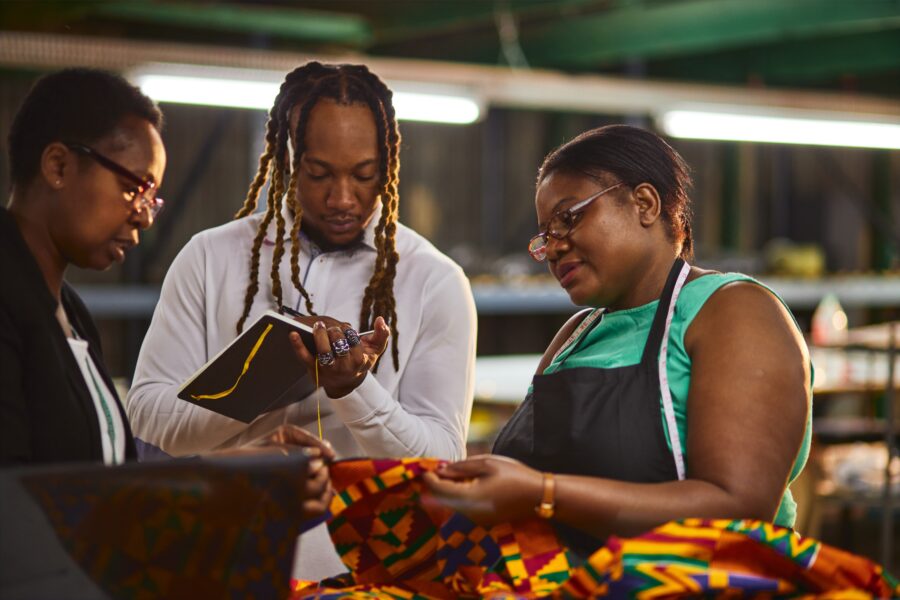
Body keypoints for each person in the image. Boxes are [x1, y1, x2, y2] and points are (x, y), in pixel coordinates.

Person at [126, 62, 477, 577]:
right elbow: (150, 420)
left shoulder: (433, 280)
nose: (342, 198)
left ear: (388, 164)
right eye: (318, 174)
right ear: (287, 160)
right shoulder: (209, 257)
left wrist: (354, 388)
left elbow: (441, 462)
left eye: (364, 174)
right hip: (220, 560)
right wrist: (264, 379)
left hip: (362, 575)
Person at [426, 124, 812, 557]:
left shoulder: (732, 311)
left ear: (644, 203)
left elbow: (739, 511)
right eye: (545, 234)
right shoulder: (575, 335)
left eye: (568, 218)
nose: (553, 248)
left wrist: (543, 493)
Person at [0, 68, 331, 518]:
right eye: (134, 187)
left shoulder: (70, 313)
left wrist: (241, 469)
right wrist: (211, 490)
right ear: (58, 165)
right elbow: (17, 502)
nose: (145, 217)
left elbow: (111, 475)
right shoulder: (10, 300)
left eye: (153, 199)